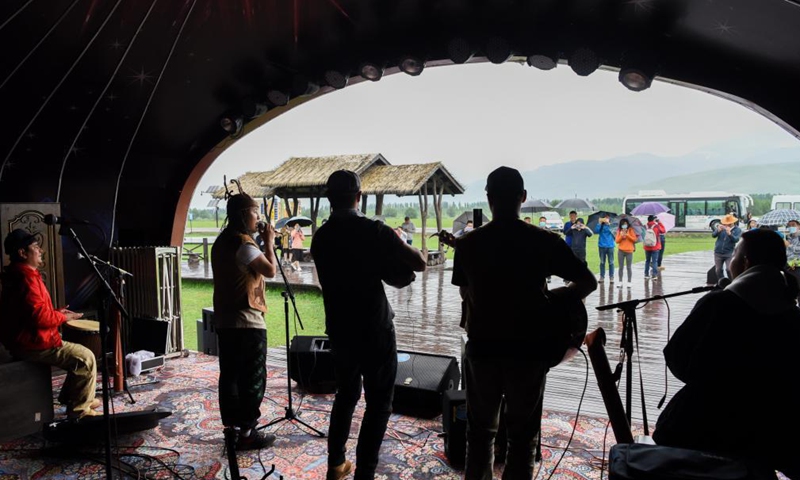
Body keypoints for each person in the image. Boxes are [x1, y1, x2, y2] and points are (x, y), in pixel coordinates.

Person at [451, 167, 596, 480]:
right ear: (523, 197)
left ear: (488, 198)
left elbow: (465, 292)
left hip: (483, 348)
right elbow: (587, 282)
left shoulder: (468, 244)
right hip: (529, 349)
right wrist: (555, 298)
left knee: (480, 434)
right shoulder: (544, 241)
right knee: (522, 437)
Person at [653, 229, 800, 478]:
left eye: (735, 254)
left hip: (706, 423)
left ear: (745, 262)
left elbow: (678, 359)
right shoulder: (792, 314)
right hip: (772, 429)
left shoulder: (719, 303)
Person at [311, 170, 426, 480]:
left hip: (340, 328)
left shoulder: (321, 238)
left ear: (329, 198)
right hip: (374, 327)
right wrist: (398, 247)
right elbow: (418, 263)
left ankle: (336, 464)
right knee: (379, 402)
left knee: (346, 395)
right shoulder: (375, 230)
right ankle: (366, 473)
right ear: (359, 196)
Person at [0, 229, 100, 420]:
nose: (41, 251)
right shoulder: (26, 278)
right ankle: (80, 410)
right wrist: (63, 317)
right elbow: (40, 319)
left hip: (26, 339)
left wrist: (57, 312)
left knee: (77, 354)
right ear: (22, 253)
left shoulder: (21, 274)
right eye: (35, 247)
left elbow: (31, 312)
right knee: (85, 358)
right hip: (32, 343)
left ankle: (75, 397)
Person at [211, 193, 278, 450]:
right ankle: (248, 432)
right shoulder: (244, 244)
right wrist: (269, 242)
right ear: (242, 214)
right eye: (254, 211)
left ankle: (232, 428)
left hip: (225, 319)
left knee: (230, 375)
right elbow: (270, 270)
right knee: (252, 377)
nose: (258, 217)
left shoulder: (221, 241)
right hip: (247, 321)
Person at [711, 214, 741, 281]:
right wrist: (717, 231)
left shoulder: (737, 230)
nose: (726, 225)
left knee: (729, 269)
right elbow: (713, 235)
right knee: (718, 270)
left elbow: (736, 240)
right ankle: (722, 282)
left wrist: (730, 234)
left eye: (728, 223)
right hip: (718, 252)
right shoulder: (721, 228)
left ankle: (732, 282)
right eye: (725, 223)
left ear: (732, 222)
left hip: (729, 253)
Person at [615, 218, 637, 288]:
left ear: (627, 224)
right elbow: (617, 241)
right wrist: (621, 236)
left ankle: (629, 282)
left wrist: (627, 235)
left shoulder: (631, 230)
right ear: (621, 225)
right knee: (620, 267)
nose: (624, 225)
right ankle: (620, 281)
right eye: (623, 224)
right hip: (621, 251)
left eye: (625, 224)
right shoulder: (619, 231)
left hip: (629, 251)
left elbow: (634, 239)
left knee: (629, 267)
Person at [593, 213, 615, 283]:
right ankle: (602, 277)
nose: (606, 219)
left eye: (607, 217)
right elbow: (595, 231)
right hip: (602, 246)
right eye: (605, 217)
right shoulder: (601, 225)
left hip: (610, 246)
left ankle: (611, 277)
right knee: (602, 262)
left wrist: (609, 224)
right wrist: (599, 223)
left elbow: (615, 232)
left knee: (611, 262)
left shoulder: (612, 225)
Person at [643, 215, 664, 280]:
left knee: (647, 261)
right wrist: (659, 222)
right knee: (654, 261)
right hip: (655, 246)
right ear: (653, 220)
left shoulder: (645, 226)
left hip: (647, 246)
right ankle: (654, 275)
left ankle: (646, 275)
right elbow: (663, 230)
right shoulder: (656, 226)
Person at [784, 219, 800, 304]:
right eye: (789, 225)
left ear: (798, 226)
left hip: (798, 267)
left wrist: (789, 245)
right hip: (789, 267)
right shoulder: (787, 237)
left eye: (793, 225)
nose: (791, 227)